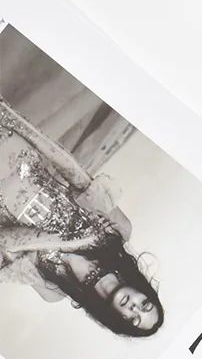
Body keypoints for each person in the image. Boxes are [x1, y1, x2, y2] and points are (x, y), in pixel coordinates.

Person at [0, 121, 164, 338]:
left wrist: (75, 240)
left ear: (119, 322)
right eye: (145, 304)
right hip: (13, 152)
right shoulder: (119, 231)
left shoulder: (53, 291)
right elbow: (73, 171)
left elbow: (3, 241)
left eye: (134, 319)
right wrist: (18, 124)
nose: (134, 308)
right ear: (144, 291)